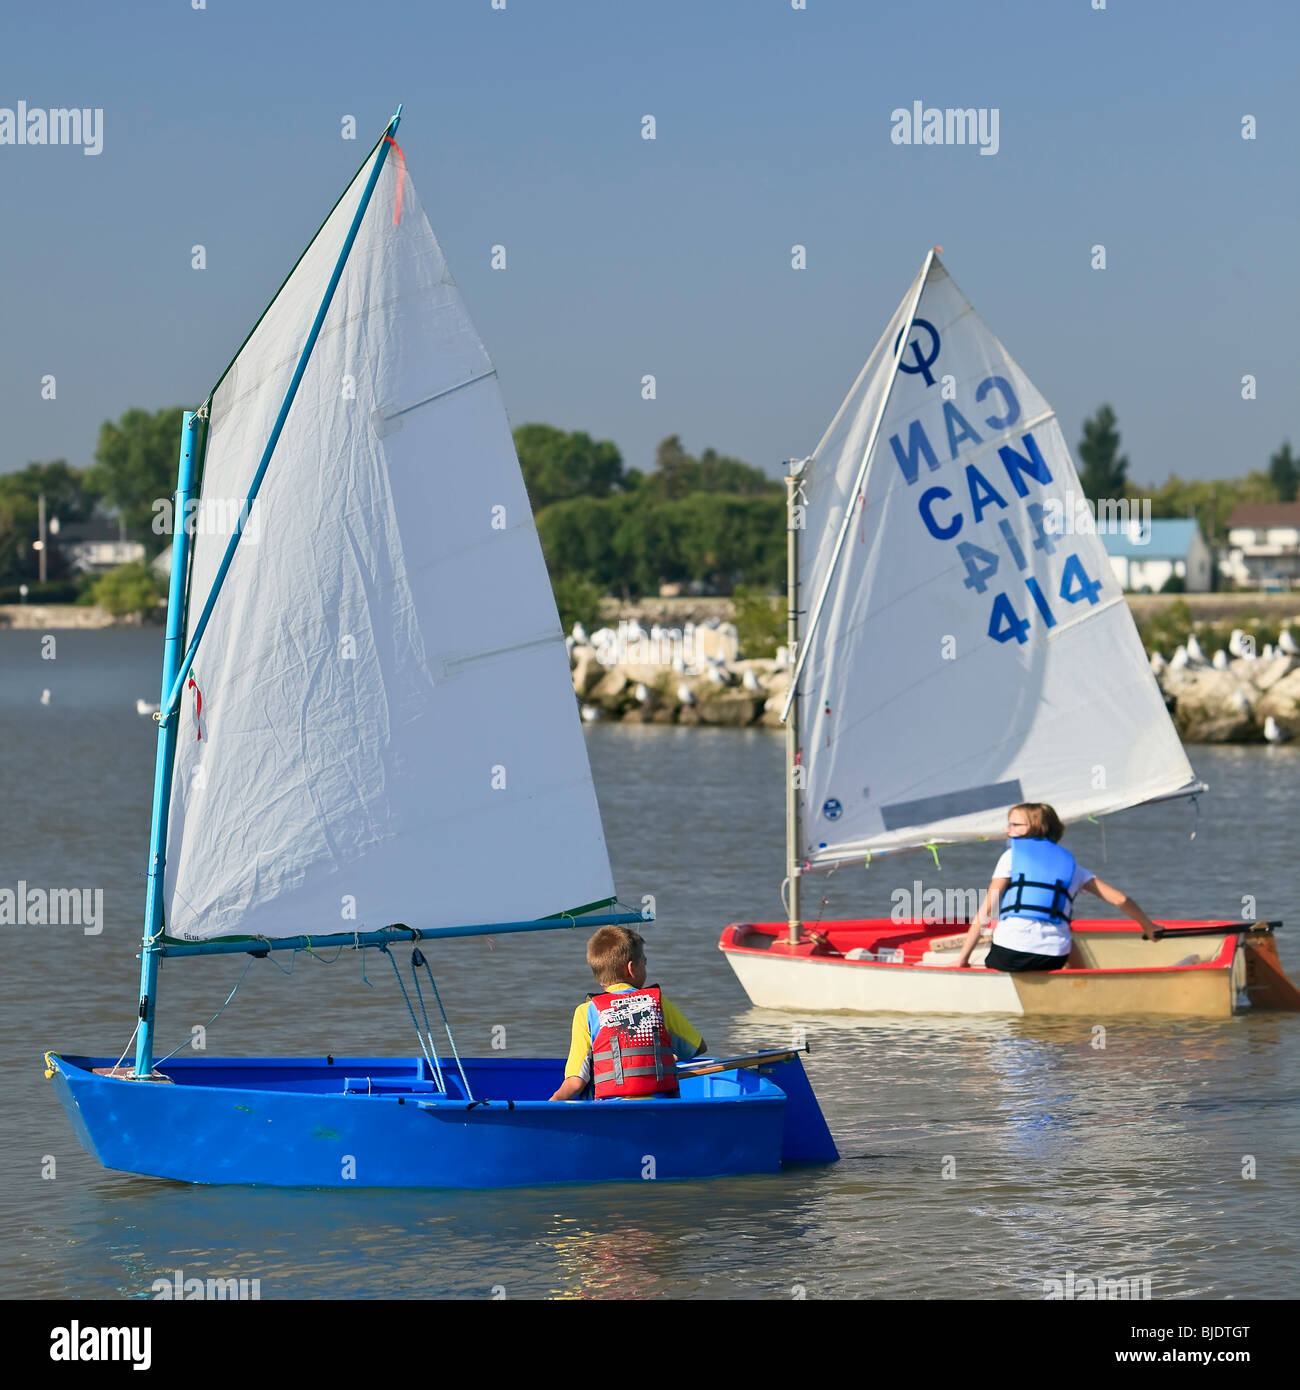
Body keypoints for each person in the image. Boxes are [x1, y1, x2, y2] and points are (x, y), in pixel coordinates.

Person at [951, 801, 1160, 972]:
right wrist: (1148, 926)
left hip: (1011, 955)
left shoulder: (1011, 857)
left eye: (1015, 825)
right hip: (1052, 957)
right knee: (1064, 930)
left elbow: (985, 911)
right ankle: (1082, 980)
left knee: (1007, 941)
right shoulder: (1073, 867)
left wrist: (963, 958)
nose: (1008, 830)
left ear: (1036, 827)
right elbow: (1121, 900)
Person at [548, 925, 706, 1101]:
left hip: (610, 1112)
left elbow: (576, 1082)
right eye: (644, 962)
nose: (645, 967)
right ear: (631, 968)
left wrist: (551, 1104)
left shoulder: (586, 1012)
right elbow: (696, 1047)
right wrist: (663, 1059)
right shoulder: (657, 1002)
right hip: (661, 1108)